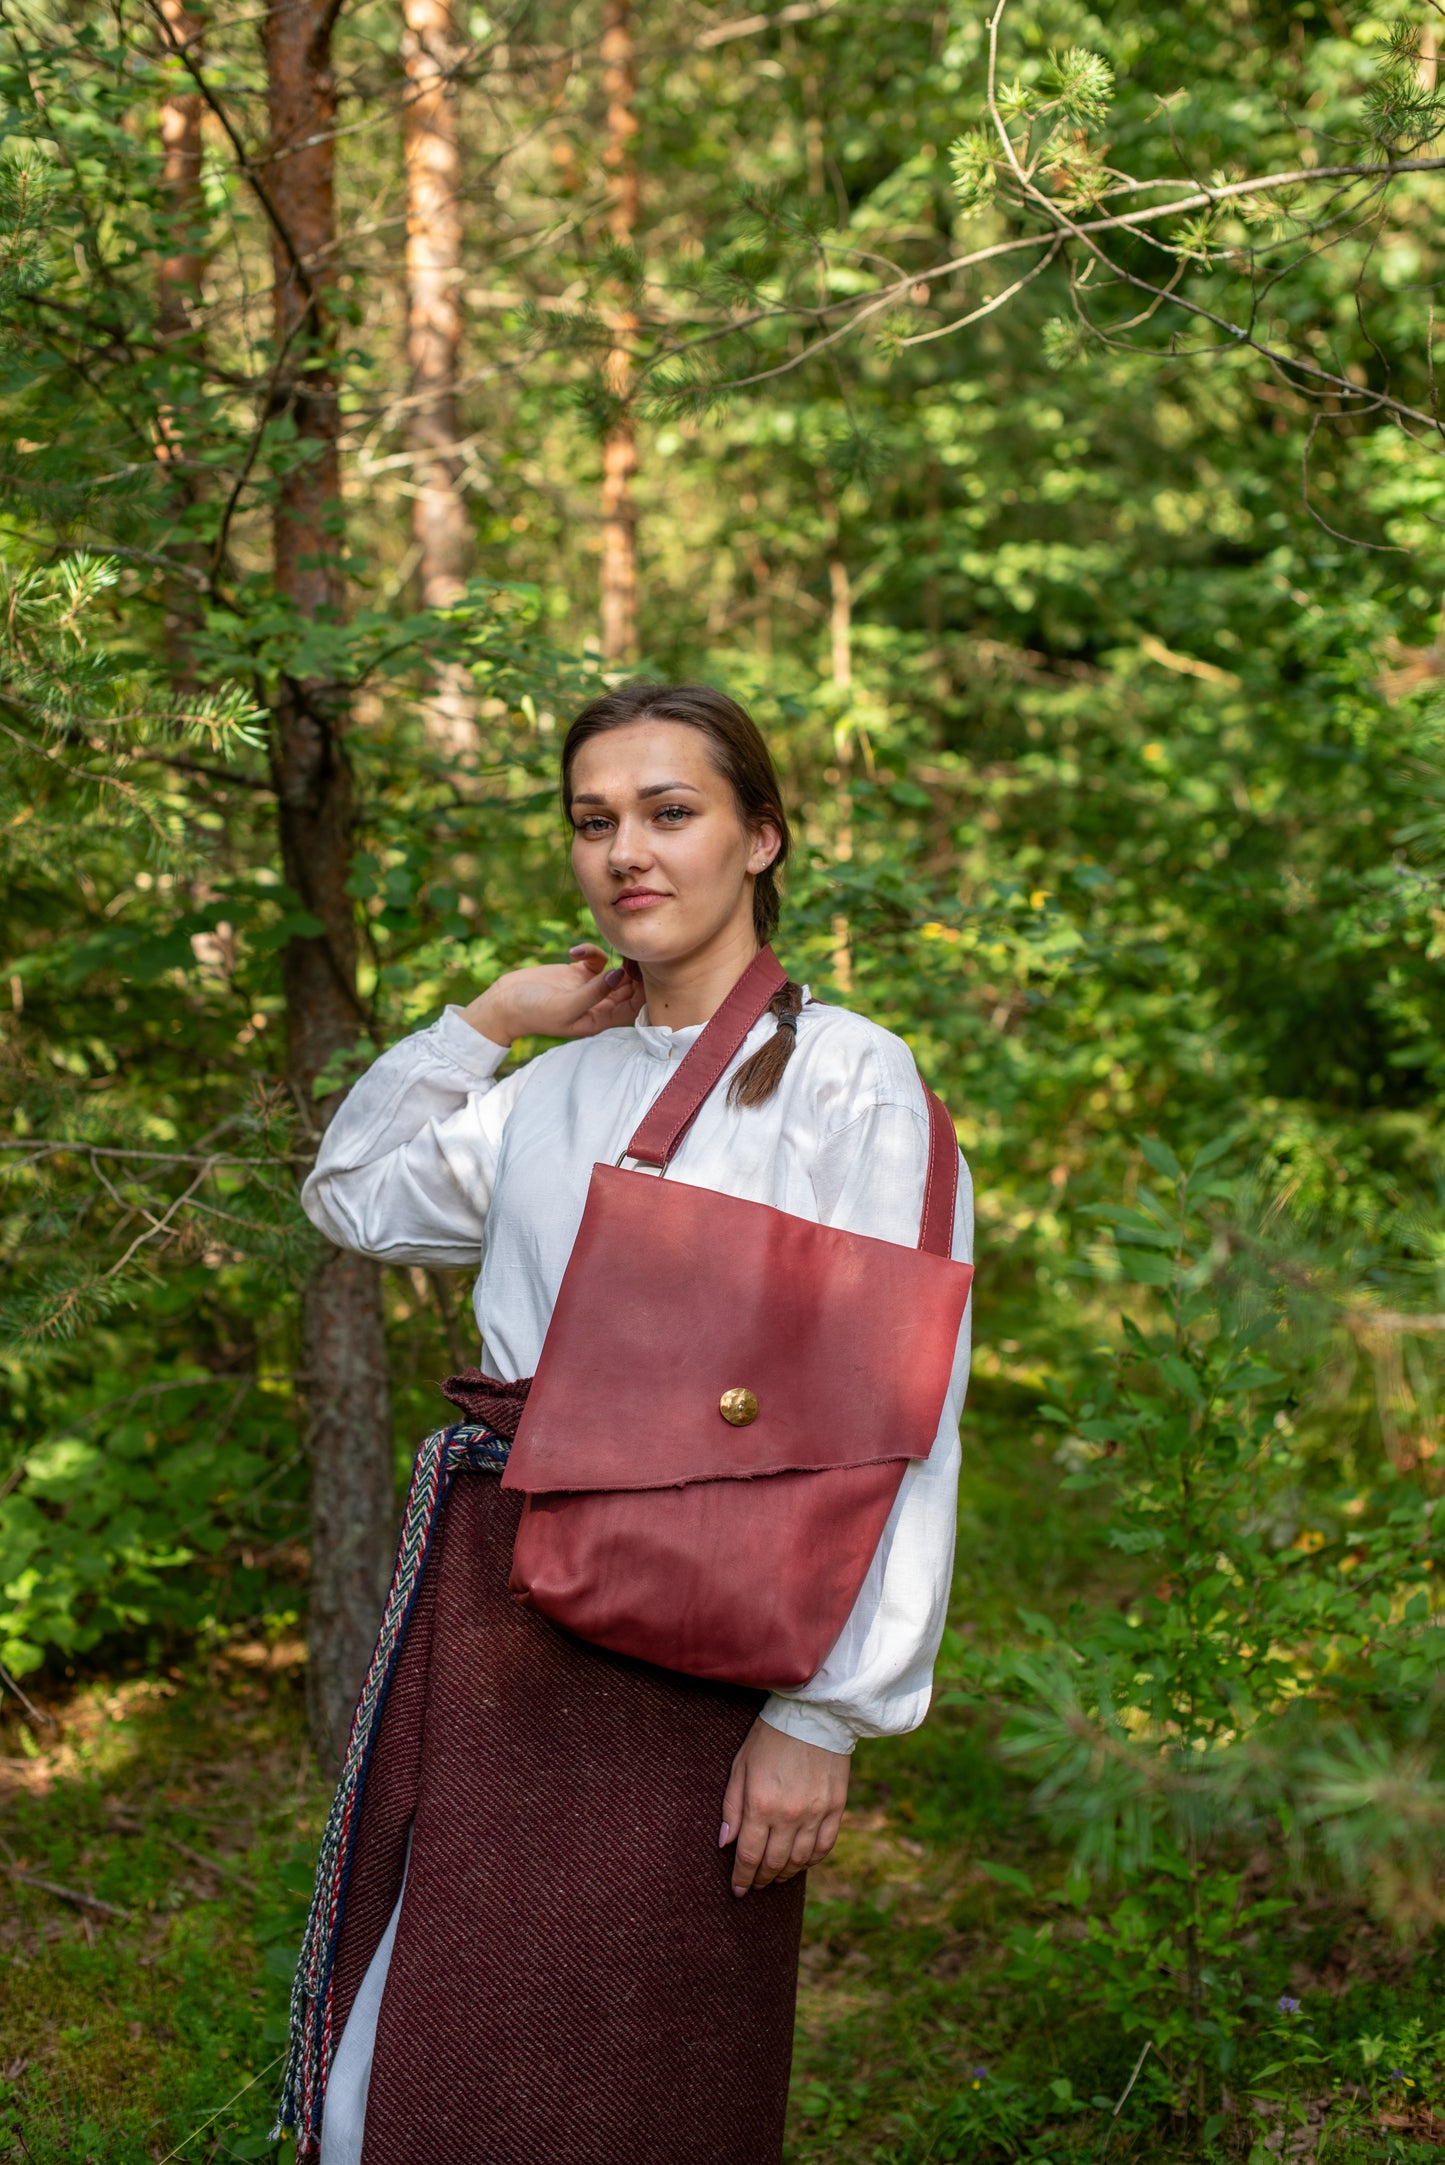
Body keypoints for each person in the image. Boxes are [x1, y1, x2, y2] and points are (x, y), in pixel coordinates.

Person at [277, 680, 974, 2165]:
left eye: (671, 812)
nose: (625, 852)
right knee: (398, 2068)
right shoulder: (550, 1087)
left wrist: (824, 1713)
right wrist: (489, 1018)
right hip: (501, 1601)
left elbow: (901, 1415)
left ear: (760, 837)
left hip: (707, 1623)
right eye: (594, 820)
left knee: (640, 2072)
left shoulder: (851, 1076)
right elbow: (350, 1193)